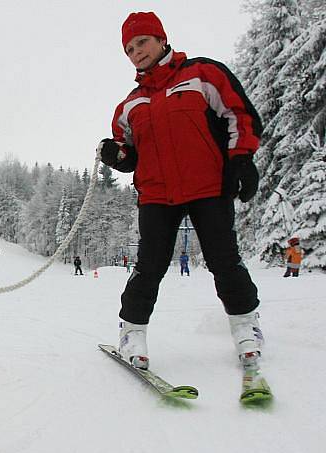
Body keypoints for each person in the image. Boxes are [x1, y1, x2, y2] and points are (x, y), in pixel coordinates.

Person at [100, 11, 264, 370]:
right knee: (149, 266)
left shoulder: (203, 74)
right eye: (128, 48)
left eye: (141, 42)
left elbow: (240, 115)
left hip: (208, 186)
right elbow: (128, 154)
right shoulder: (129, 104)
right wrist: (116, 154)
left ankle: (245, 326)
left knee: (224, 259)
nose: (136, 52)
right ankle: (132, 332)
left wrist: (241, 160)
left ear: (161, 39)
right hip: (157, 195)